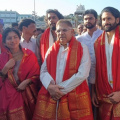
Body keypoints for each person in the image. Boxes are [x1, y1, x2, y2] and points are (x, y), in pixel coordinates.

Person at [33, 19, 93, 120]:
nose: (61, 33)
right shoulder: (51, 49)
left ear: (72, 32)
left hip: (73, 92)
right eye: (58, 31)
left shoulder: (82, 48)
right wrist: (49, 86)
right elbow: (43, 71)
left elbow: (83, 73)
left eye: (64, 30)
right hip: (52, 92)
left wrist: (59, 90)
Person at [0, 28, 40, 120]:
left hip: (26, 92)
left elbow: (37, 75)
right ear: (5, 42)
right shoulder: (1, 58)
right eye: (9, 38)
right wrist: (5, 69)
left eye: (15, 37)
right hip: (7, 96)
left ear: (19, 38)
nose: (13, 40)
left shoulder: (29, 55)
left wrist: (26, 82)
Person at [92, 7, 120, 120]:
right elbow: (95, 68)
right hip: (103, 95)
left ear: (117, 20)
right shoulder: (97, 42)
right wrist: (93, 92)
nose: (106, 22)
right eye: (103, 19)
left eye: (109, 18)